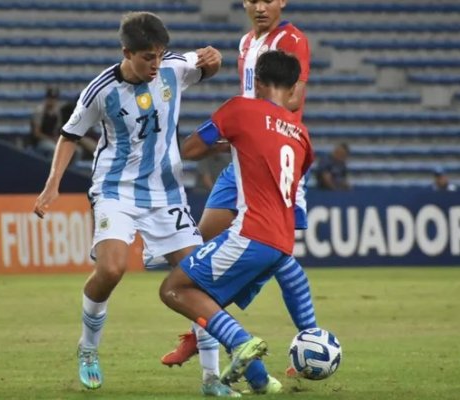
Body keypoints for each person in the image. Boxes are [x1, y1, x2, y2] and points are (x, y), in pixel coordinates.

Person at [32, 12, 236, 396]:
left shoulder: (174, 67)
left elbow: (206, 63)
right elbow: (69, 135)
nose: (155, 64)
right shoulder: (101, 91)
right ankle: (88, 349)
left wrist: (214, 60)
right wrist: (51, 186)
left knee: (197, 277)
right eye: (147, 57)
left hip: (166, 191)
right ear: (127, 53)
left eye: (159, 55)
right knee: (111, 269)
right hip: (116, 190)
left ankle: (211, 378)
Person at [161, 0, 317, 392]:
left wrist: (252, 122)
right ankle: (206, 332)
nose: (261, 6)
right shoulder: (246, 42)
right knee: (205, 240)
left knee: (269, 253)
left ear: (282, 1)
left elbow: (293, 98)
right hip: (248, 151)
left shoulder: (292, 39)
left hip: (269, 147)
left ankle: (310, 340)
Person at [30, 86, 63, 158]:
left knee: (75, 151)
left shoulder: (57, 113)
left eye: (54, 98)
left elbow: (57, 130)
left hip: (51, 140)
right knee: (55, 150)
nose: (52, 101)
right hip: (40, 142)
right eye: (50, 98)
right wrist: (51, 139)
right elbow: (36, 134)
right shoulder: (40, 111)